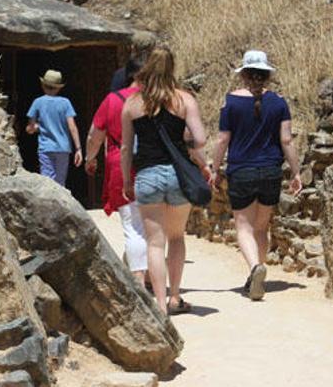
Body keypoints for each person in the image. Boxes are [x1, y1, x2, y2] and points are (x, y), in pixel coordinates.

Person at [120, 46, 211, 314]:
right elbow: (201, 139)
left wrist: (127, 180)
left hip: (147, 175)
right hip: (177, 175)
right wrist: (183, 142)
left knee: (154, 243)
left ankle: (159, 305)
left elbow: (126, 147)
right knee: (176, 237)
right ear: (172, 67)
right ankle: (175, 297)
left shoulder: (132, 104)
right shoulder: (184, 100)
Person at [210, 50, 302, 301]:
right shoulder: (279, 102)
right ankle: (258, 276)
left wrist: (214, 168)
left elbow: (222, 139)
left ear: (244, 75)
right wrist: (296, 172)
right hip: (271, 170)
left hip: (242, 170)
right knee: (261, 227)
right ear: (267, 75)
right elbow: (286, 140)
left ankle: (254, 269)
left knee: (243, 225)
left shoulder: (231, 102)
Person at [86, 57, 146, 284]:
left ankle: (138, 279)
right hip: (156, 166)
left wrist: (90, 159)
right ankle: (150, 275)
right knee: (153, 227)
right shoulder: (160, 98)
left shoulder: (113, 100)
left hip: (122, 166)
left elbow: (95, 135)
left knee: (133, 228)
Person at [26, 70, 83, 186]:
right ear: (58, 88)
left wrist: (36, 127)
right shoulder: (65, 103)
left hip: (46, 148)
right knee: (60, 183)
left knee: (47, 183)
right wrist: (78, 149)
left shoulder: (38, 102)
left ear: (43, 85)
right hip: (63, 148)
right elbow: (72, 126)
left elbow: (30, 128)